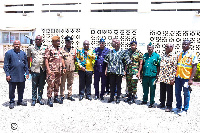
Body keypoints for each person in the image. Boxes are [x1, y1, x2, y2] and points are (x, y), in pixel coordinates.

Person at [174, 40, 198, 114]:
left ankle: (185, 109)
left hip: (186, 78)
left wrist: (191, 79)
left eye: (186, 44)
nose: (184, 45)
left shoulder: (192, 54)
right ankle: (178, 107)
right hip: (178, 77)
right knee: (177, 93)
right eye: (183, 44)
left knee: (186, 94)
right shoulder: (180, 54)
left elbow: (194, 67)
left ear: (189, 45)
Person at [4, 40, 29, 109]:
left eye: (18, 44)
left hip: (21, 75)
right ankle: (12, 101)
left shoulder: (23, 53)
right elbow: (5, 65)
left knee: (21, 89)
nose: (17, 45)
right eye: (15, 44)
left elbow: (26, 64)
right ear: (13, 45)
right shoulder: (8, 53)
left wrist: (27, 73)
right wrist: (7, 74)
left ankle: (20, 100)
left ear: (20, 45)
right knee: (12, 89)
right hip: (12, 75)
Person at [44, 36, 66, 107]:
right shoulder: (49, 48)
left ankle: (56, 97)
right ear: (53, 42)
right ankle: (49, 98)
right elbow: (46, 60)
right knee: (50, 85)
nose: (59, 42)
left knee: (57, 84)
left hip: (58, 70)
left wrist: (64, 67)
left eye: (59, 41)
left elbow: (62, 58)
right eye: (57, 41)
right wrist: (48, 70)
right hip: (52, 70)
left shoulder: (60, 49)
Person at [27, 35, 47, 106]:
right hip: (34, 69)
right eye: (36, 39)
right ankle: (34, 99)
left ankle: (39, 98)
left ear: (41, 40)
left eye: (39, 39)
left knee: (41, 85)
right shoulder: (31, 47)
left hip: (42, 69)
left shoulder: (45, 47)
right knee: (34, 85)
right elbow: (28, 58)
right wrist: (29, 68)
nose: (37, 41)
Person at [158, 44, 177, 112]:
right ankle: (162, 103)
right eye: (165, 46)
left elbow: (175, 68)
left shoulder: (174, 56)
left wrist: (173, 78)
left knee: (169, 92)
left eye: (167, 47)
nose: (166, 48)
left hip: (169, 78)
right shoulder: (163, 56)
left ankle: (169, 106)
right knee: (162, 91)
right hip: (163, 77)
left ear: (172, 48)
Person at [141, 42, 160, 108]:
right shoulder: (145, 55)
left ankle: (152, 102)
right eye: (148, 48)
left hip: (153, 76)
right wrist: (141, 74)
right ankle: (144, 100)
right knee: (145, 89)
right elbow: (142, 64)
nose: (149, 49)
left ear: (153, 48)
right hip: (145, 75)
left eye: (151, 47)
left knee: (152, 89)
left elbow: (158, 66)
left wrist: (157, 75)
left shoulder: (156, 56)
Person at [59, 36, 76, 104]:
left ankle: (69, 95)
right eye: (67, 41)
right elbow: (62, 59)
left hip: (71, 69)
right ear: (65, 42)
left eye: (69, 41)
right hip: (64, 69)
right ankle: (62, 95)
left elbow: (75, 59)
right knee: (62, 82)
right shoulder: (62, 49)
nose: (68, 42)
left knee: (70, 83)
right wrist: (64, 67)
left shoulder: (74, 50)